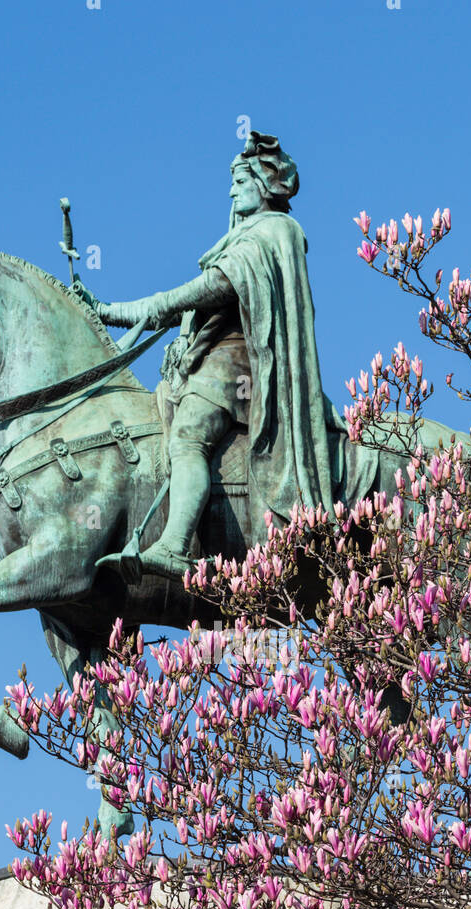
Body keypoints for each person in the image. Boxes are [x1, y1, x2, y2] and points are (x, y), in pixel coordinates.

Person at [87, 131, 336, 582]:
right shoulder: (242, 237)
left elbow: (216, 287)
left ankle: (176, 546)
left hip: (240, 363)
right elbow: (181, 305)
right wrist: (106, 311)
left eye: (239, 181)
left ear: (263, 185)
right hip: (212, 359)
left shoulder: (276, 230)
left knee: (188, 435)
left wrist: (157, 303)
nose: (230, 190)